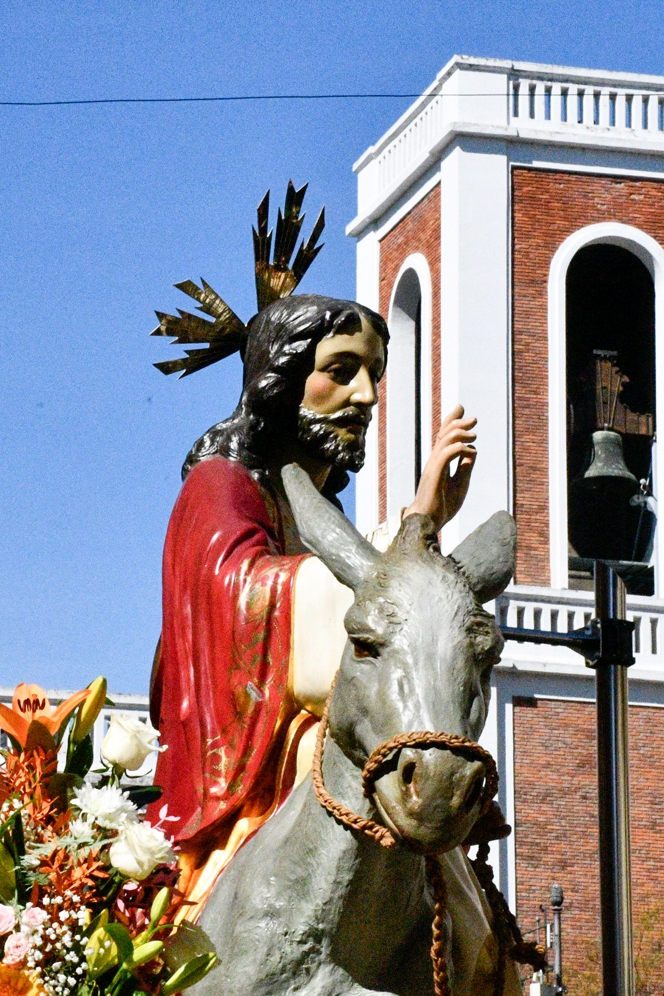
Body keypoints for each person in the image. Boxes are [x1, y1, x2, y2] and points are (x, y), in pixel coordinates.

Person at [146, 188, 482, 938]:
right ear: (282, 377)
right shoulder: (221, 487)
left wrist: (422, 527)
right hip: (252, 772)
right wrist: (402, 548)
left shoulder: (315, 509)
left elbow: (378, 621)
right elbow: (238, 603)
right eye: (342, 370)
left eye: (374, 375)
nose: (365, 395)